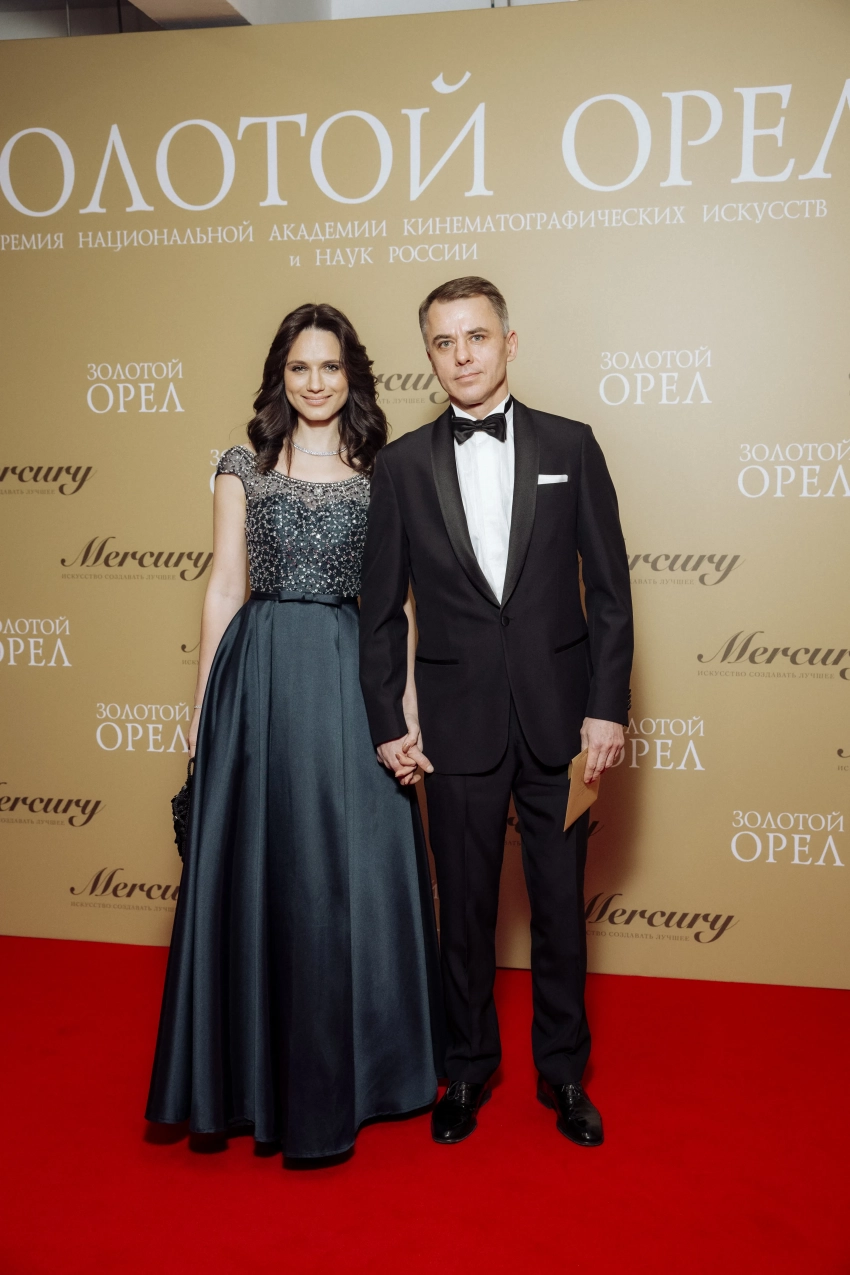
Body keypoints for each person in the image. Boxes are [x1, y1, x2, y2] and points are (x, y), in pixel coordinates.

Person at [146, 303, 444, 1162]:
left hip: (351, 676)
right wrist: (202, 704)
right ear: (281, 375)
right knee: (266, 873)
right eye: (300, 367)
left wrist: (406, 707)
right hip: (261, 678)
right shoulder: (242, 466)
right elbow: (224, 584)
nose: (316, 382)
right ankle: (252, 1079)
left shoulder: (384, 470)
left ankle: (370, 1072)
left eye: (331, 367)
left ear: (353, 376)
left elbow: (398, 603)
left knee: (354, 875)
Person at [359, 277, 633, 1148]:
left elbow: (611, 593)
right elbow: (379, 610)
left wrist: (607, 709)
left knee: (559, 911)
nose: (463, 355)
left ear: (509, 342)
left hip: (562, 725)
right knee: (466, 914)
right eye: (445, 342)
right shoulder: (401, 466)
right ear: (429, 356)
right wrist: (387, 719)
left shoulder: (572, 444)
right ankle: (468, 1068)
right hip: (454, 727)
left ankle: (564, 1073)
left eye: (477, 336)